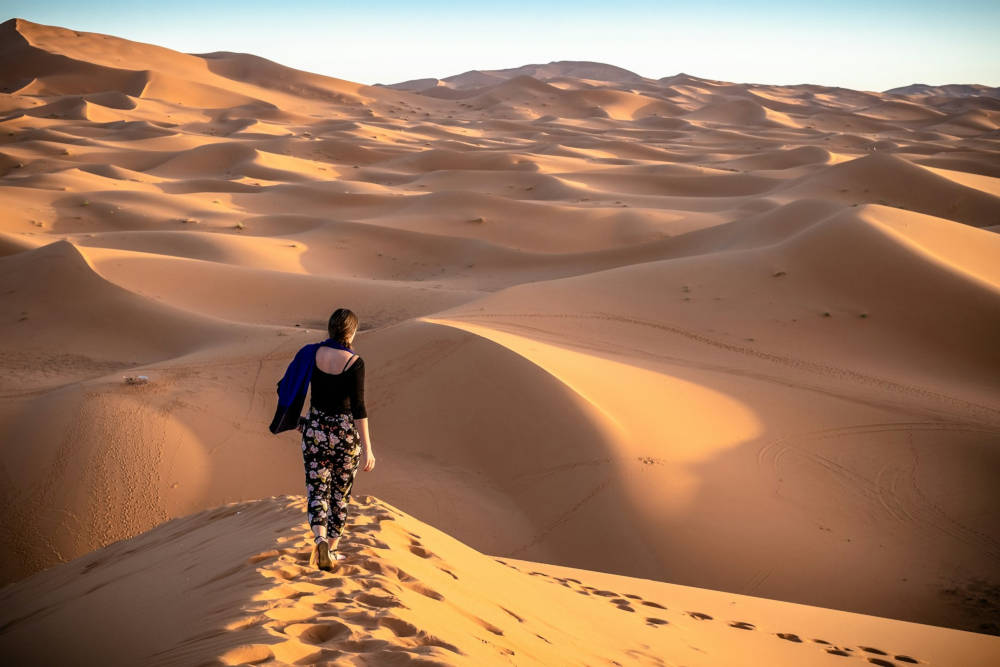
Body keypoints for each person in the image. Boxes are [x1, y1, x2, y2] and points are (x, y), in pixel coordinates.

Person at [275, 308, 375, 571]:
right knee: (339, 496)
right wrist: (368, 449)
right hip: (344, 436)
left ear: (330, 329)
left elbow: (287, 385)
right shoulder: (355, 362)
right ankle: (330, 549)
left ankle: (319, 539)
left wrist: (299, 423)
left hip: (316, 431)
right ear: (352, 332)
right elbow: (359, 409)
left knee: (317, 489)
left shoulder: (312, 354)